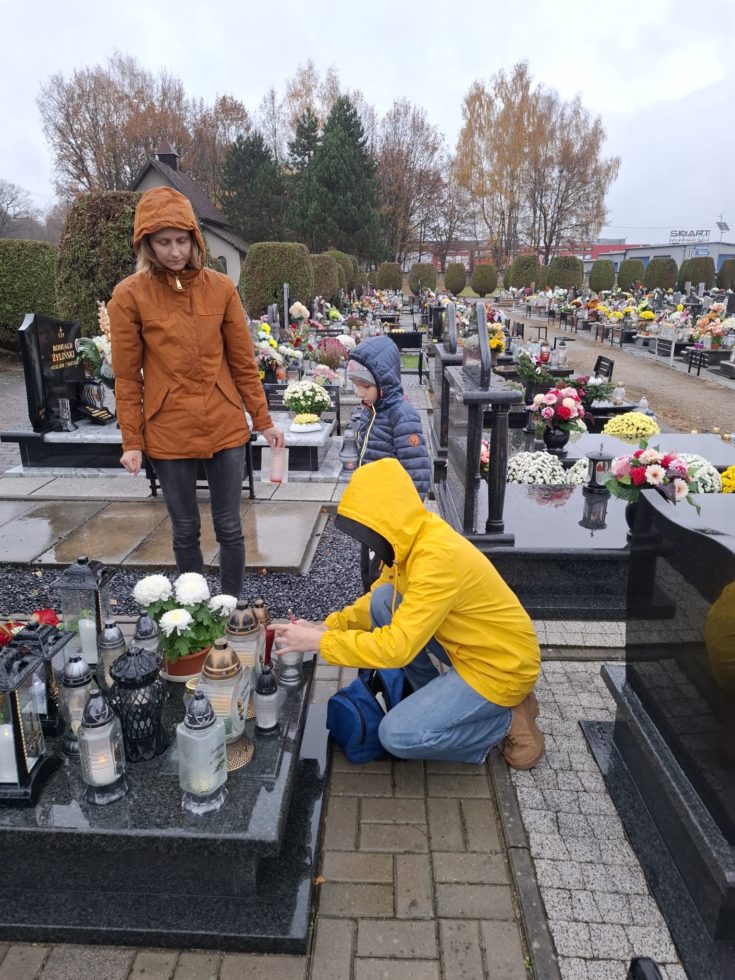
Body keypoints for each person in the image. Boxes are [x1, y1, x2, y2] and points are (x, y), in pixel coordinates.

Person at [274, 458, 544, 769]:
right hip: (473, 646)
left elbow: (396, 648)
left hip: (502, 666)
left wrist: (320, 644)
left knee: (398, 736)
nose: (367, 539)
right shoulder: (411, 539)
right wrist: (329, 627)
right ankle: (435, 700)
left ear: (384, 519)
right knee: (383, 600)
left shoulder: (435, 559)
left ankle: (508, 720)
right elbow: (378, 600)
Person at [109, 187, 284, 598]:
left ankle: (233, 609)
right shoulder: (129, 295)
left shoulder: (220, 288)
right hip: (168, 429)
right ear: (146, 244)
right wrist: (132, 441)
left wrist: (264, 421)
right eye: (163, 242)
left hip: (224, 424)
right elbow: (127, 377)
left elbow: (243, 363)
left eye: (182, 240)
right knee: (185, 528)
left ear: (195, 239)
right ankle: (193, 611)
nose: (175, 251)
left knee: (230, 526)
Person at [346, 335, 431, 590]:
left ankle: (383, 609)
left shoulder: (402, 416)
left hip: (392, 515)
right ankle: (368, 604)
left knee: (383, 574)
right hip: (372, 509)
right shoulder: (370, 411)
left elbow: (418, 474)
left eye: (365, 386)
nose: (360, 393)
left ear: (383, 382)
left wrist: (401, 519)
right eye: (356, 385)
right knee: (368, 567)